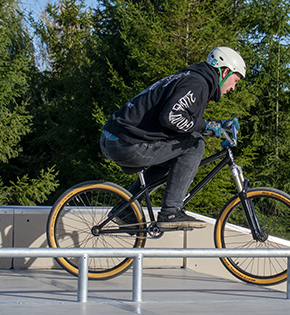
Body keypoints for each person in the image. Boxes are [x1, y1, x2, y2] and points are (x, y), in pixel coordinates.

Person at [100, 46, 246, 229]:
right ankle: (170, 212)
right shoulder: (197, 83)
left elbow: (181, 121)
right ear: (225, 71)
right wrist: (207, 126)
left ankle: (125, 208)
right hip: (124, 143)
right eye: (235, 81)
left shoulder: (192, 79)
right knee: (195, 145)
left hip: (116, 138)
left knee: (175, 153)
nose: (233, 88)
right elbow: (171, 117)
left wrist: (214, 125)